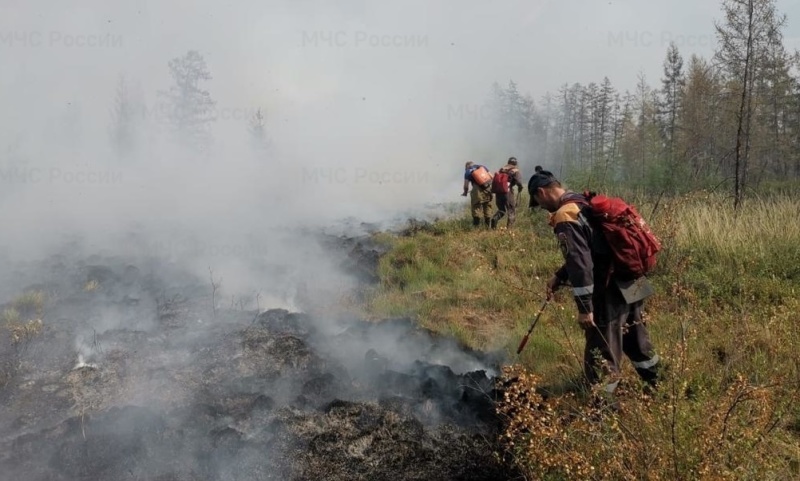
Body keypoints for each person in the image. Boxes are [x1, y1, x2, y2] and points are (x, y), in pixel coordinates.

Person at [527, 171, 661, 398]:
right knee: (638, 339)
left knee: (601, 350)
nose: (541, 207)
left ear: (541, 192)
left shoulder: (565, 215)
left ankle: (602, 411)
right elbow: (595, 248)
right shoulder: (584, 201)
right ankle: (661, 385)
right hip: (633, 278)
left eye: (538, 202)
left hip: (610, 290)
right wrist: (560, 276)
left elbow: (581, 264)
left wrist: (585, 307)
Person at [490, 157, 524, 229]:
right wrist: (520, 188)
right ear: (515, 163)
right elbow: (519, 182)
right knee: (511, 210)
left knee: (501, 210)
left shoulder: (502, 169)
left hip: (498, 193)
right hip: (508, 193)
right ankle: (509, 230)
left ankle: (494, 220)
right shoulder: (515, 170)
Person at [462, 161, 493, 227]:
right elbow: (492, 177)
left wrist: (465, 192)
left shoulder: (468, 171)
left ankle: (476, 227)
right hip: (487, 189)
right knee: (487, 206)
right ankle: (488, 227)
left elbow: (466, 186)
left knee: (476, 208)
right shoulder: (482, 167)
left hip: (477, 191)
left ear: (467, 166)